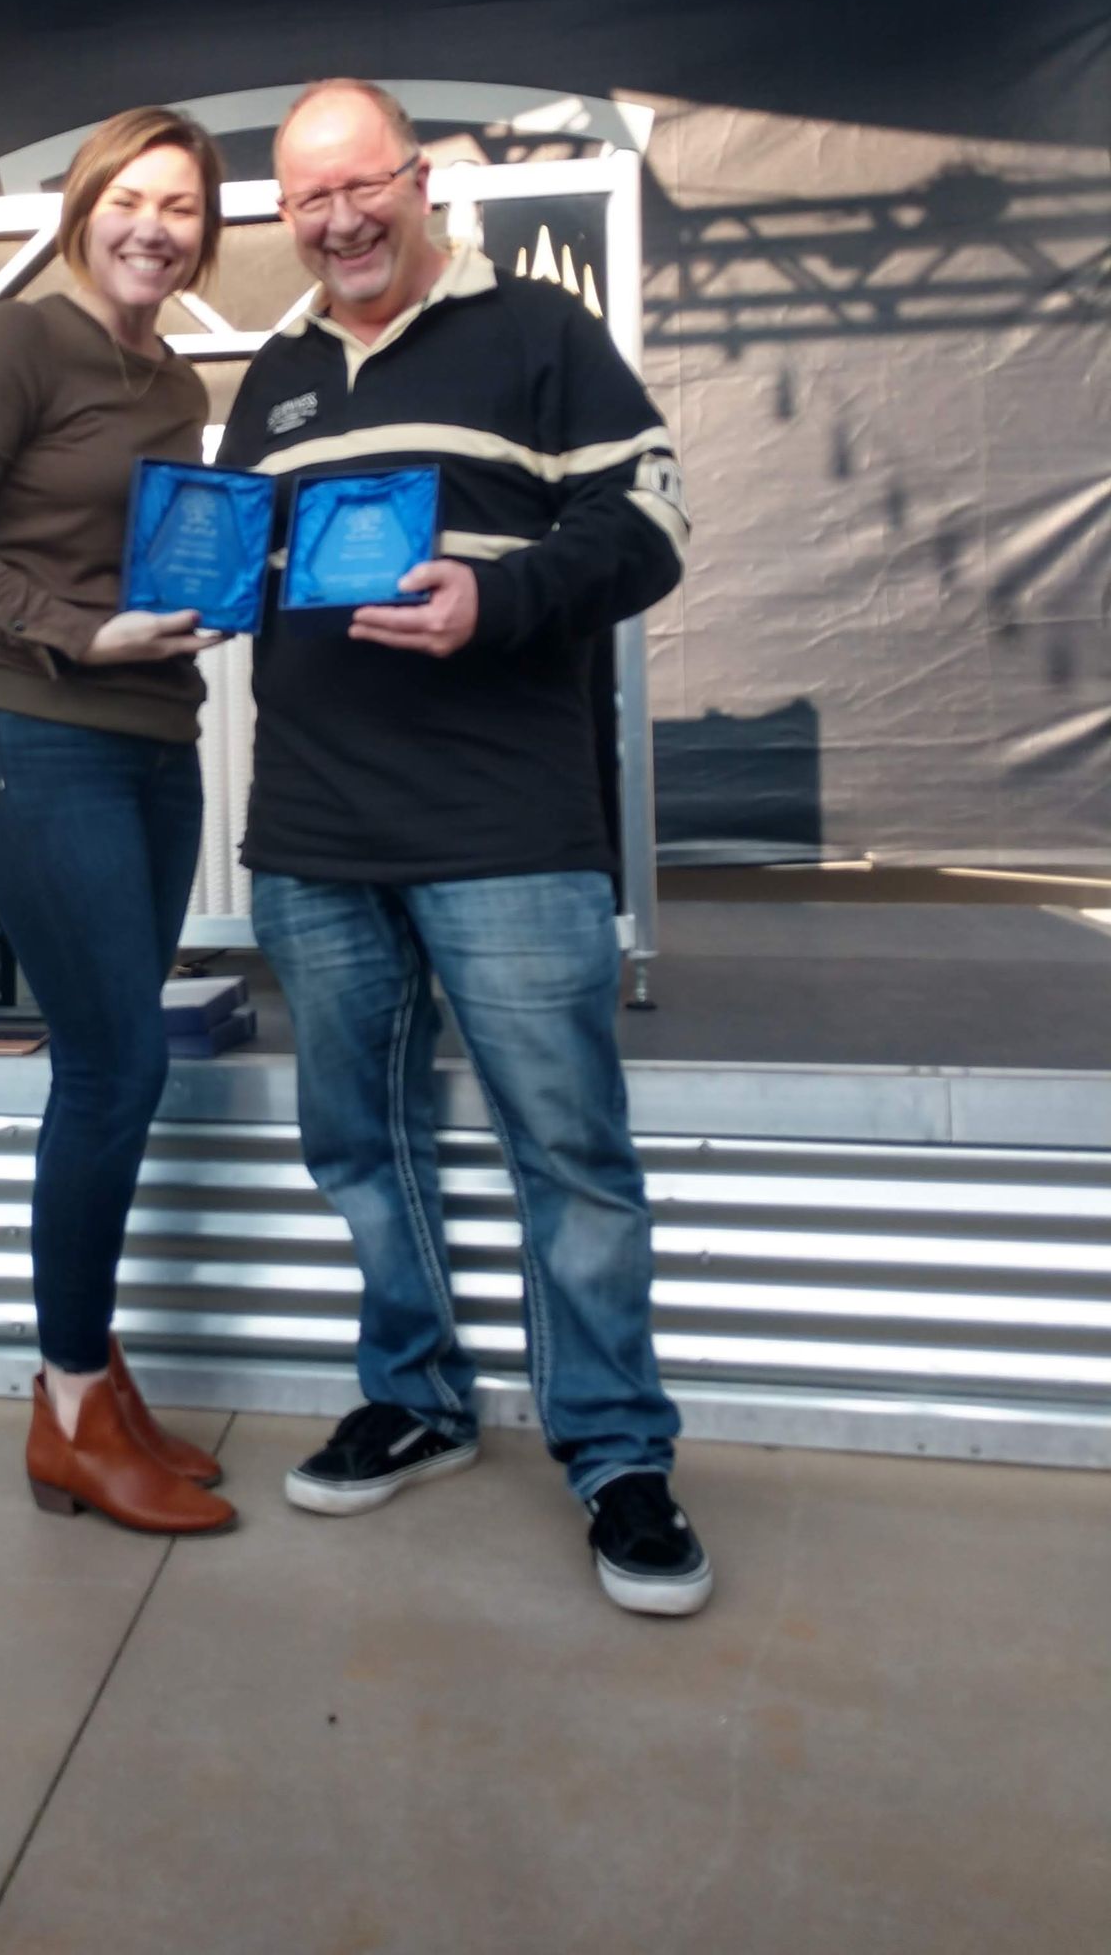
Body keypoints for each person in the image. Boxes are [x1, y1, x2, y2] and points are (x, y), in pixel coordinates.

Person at [216, 78, 710, 1614]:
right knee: (361, 1142)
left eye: (364, 187)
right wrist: (187, 590)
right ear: (284, 218)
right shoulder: (276, 372)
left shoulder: (540, 334)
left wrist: (494, 602)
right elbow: (231, 549)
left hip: (506, 826)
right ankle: (416, 1397)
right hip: (310, 829)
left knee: (567, 1151)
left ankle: (617, 1452)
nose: (342, 220)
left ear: (419, 182)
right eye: (309, 201)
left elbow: (656, 524)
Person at [0, 106, 238, 1537]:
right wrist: (76, 637)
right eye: (132, 197)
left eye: (185, 208)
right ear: (85, 202)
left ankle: (94, 1377)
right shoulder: (19, 344)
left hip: (160, 745)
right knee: (114, 1066)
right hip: (30, 736)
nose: (156, 225)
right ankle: (73, 1409)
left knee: (114, 1065)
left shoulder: (179, 383)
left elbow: (146, 552)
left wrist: (204, 605)